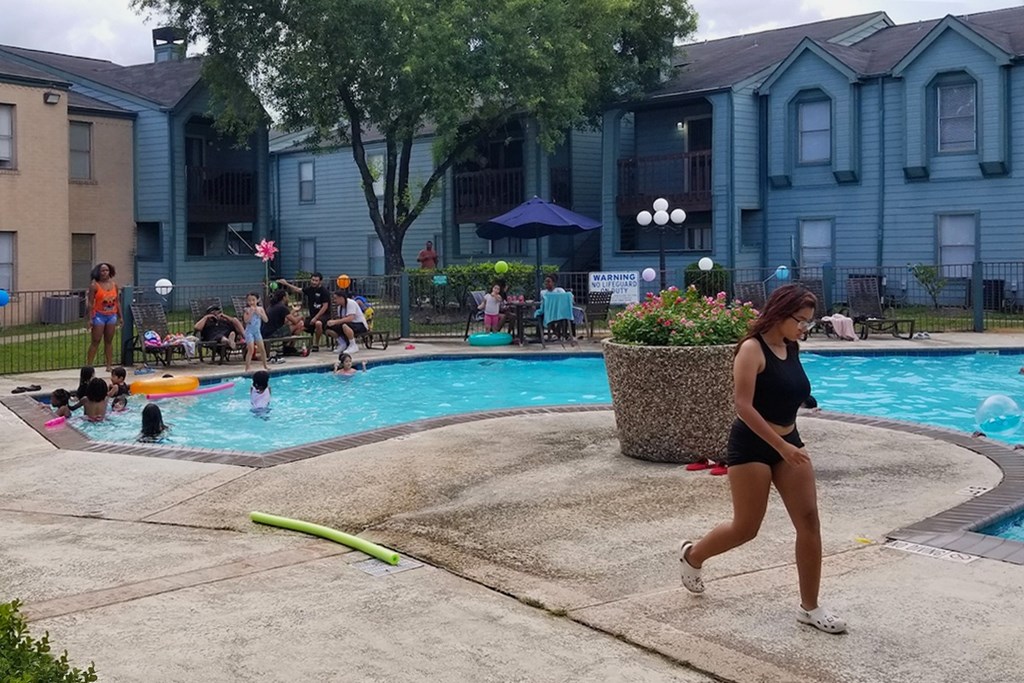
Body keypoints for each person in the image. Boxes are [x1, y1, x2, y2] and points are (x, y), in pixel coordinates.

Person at [678, 284, 846, 635]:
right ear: (780, 313)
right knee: (746, 528)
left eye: (809, 322)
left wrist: (791, 434)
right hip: (752, 446)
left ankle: (810, 607)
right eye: (800, 320)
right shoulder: (751, 349)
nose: (804, 328)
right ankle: (693, 556)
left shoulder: (791, 346)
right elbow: (743, 405)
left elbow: (787, 389)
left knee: (809, 522)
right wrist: (781, 447)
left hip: (790, 443)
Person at [277, 273, 331, 350]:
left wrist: (316, 318)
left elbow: (325, 306)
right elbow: (298, 290)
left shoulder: (324, 291)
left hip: (324, 316)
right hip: (312, 316)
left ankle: (316, 344)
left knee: (318, 323)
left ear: (320, 281)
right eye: (312, 280)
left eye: (316, 281)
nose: (314, 282)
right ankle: (290, 347)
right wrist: (286, 284)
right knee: (299, 326)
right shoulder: (310, 289)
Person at [86, 263, 121, 371]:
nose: (105, 272)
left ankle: (109, 365)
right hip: (99, 315)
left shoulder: (114, 285)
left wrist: (120, 317)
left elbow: (117, 302)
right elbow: (90, 303)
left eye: (107, 270)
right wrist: (90, 319)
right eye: (102, 271)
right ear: (99, 272)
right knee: (96, 340)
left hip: (111, 315)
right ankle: (89, 366)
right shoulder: (94, 285)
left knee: (109, 341)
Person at [326, 291, 369, 356]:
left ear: (341, 298)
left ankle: (353, 345)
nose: (334, 301)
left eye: (335, 298)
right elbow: (341, 319)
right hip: (348, 325)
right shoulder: (339, 307)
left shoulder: (351, 303)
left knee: (344, 325)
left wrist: (335, 322)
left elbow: (350, 318)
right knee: (328, 328)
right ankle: (342, 343)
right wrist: (332, 323)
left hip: (359, 324)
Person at [243, 292, 269, 372]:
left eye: (253, 300)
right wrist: (251, 313)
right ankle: (247, 367)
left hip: (257, 332)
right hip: (249, 332)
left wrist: (259, 313)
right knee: (251, 349)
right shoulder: (247, 310)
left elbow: (266, 320)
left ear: (257, 300)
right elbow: (246, 321)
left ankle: (265, 365)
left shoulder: (260, 309)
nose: (251, 302)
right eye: (249, 300)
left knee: (262, 349)